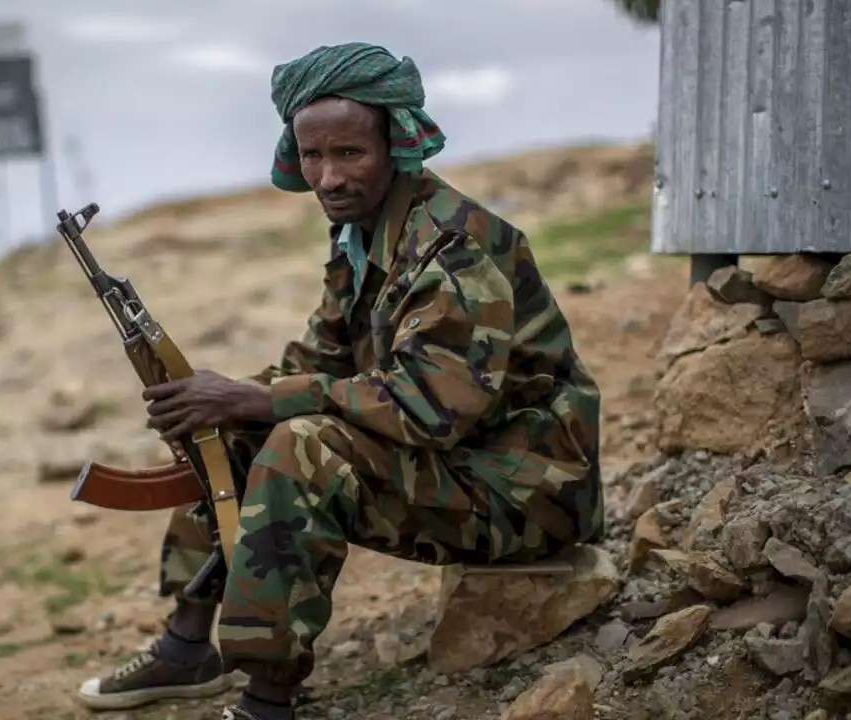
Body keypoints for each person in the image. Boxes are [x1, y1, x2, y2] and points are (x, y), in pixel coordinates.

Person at [76, 42, 603, 720]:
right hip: (458, 470)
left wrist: (263, 398)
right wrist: (210, 396)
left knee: (302, 449)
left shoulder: (456, 248)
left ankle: (268, 699)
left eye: (349, 154)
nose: (327, 178)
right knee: (230, 426)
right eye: (313, 156)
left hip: (525, 492)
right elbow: (319, 361)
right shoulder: (362, 232)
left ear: (397, 146)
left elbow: (433, 409)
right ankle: (186, 648)